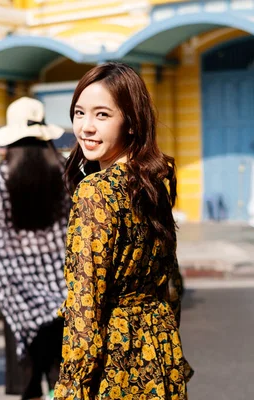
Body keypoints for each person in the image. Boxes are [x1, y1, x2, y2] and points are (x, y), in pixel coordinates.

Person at [54, 62, 193, 400]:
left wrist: (72, 386)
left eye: (102, 115)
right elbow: (172, 286)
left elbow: (85, 307)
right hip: (161, 353)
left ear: (131, 122)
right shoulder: (150, 185)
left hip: (115, 363)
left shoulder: (95, 193)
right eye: (79, 113)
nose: (86, 127)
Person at [0, 97, 70, 400]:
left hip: (18, 290)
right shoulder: (63, 172)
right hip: (64, 288)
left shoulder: (0, 178)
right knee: (65, 373)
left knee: (28, 377)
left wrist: (8, 284)